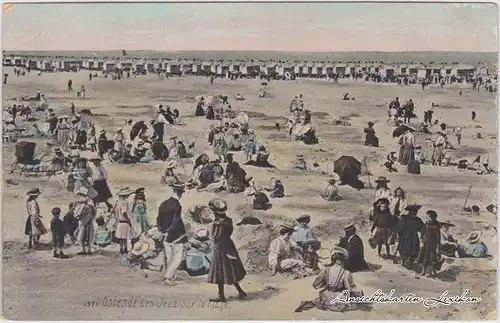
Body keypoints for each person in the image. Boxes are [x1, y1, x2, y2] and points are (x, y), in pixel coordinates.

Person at [206, 198, 247, 302]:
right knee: (230, 271)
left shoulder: (218, 223)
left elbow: (217, 237)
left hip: (220, 248)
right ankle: (240, 291)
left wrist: (211, 238)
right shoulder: (228, 220)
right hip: (229, 246)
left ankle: (221, 296)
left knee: (220, 272)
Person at [307, 247, 363, 312]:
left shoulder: (326, 269)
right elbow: (349, 290)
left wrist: (326, 285)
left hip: (326, 298)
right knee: (358, 296)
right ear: (342, 260)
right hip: (338, 300)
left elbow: (315, 284)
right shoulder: (346, 273)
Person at [157, 182, 188, 285]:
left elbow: (158, 219)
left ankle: (170, 275)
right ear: (179, 193)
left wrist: (162, 230)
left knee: (169, 256)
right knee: (177, 257)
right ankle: (167, 277)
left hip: (164, 234)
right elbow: (176, 222)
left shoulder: (163, 203)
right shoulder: (177, 205)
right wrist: (169, 232)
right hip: (175, 235)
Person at [392, 204, 424, 269]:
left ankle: (410, 264)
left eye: (416, 211)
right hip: (405, 237)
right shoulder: (404, 218)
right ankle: (403, 262)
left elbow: (422, 228)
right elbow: (399, 227)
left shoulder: (418, 220)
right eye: (413, 211)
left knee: (413, 251)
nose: (415, 212)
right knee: (404, 250)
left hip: (414, 238)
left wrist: (423, 236)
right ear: (410, 211)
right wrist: (395, 234)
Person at [73, 187, 97, 256]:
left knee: (85, 234)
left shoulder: (87, 201)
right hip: (86, 220)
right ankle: (85, 249)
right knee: (87, 235)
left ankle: (87, 249)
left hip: (85, 220)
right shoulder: (80, 201)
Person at [417, 210, 441, 277]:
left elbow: (438, 238)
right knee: (424, 258)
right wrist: (421, 241)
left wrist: (438, 247)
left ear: (433, 218)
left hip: (433, 245)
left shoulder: (436, 226)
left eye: (428, 218)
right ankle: (423, 272)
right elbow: (422, 234)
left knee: (432, 259)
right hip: (426, 244)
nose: (427, 219)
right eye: (426, 218)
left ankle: (432, 272)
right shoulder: (425, 225)